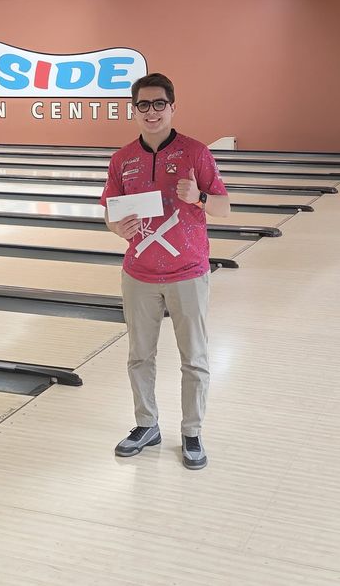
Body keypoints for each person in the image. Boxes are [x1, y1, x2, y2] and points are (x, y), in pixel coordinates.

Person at [100, 72, 230, 469]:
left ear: (172, 107)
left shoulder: (195, 153)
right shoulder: (122, 159)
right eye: (144, 104)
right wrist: (115, 225)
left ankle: (192, 432)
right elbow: (109, 210)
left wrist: (200, 196)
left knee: (194, 357)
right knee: (140, 355)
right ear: (134, 109)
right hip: (138, 272)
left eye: (159, 104)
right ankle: (147, 425)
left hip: (188, 270)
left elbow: (224, 208)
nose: (151, 111)